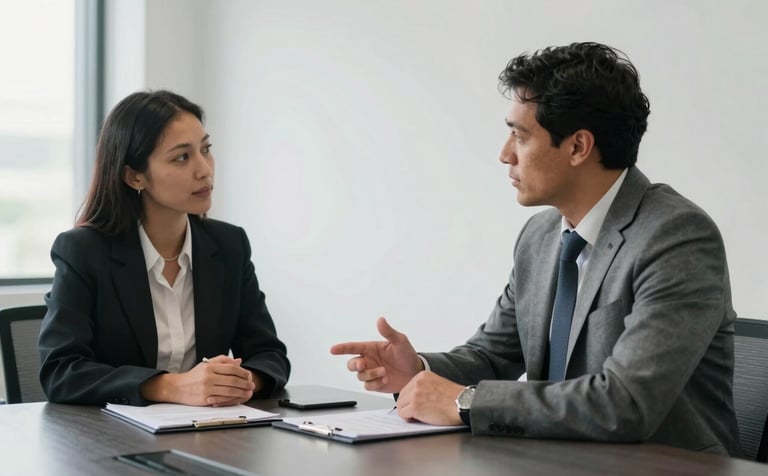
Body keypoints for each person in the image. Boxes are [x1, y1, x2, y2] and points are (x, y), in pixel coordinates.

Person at [331, 42, 740, 456]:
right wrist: (419, 370)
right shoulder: (540, 237)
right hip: (558, 461)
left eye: (519, 135)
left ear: (578, 147)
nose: (504, 154)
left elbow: (626, 402)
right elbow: (493, 356)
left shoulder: (676, 236)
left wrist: (464, 402)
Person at [39, 90, 290, 406]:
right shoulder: (84, 251)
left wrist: (239, 382)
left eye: (206, 149)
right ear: (134, 175)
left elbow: (269, 354)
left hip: (209, 433)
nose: (205, 169)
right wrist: (171, 387)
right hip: (111, 441)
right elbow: (62, 372)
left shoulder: (228, 246)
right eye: (182, 157)